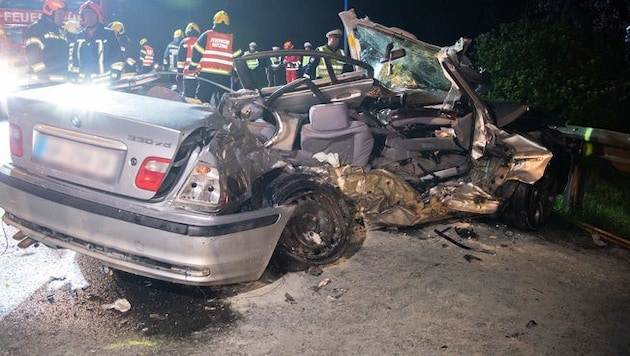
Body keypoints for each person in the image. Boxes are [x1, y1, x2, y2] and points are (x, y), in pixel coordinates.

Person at [189, 10, 241, 105]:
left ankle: (200, 118)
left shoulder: (207, 35)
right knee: (223, 103)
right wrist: (237, 74)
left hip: (206, 75)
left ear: (215, 21)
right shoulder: (232, 38)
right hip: (224, 76)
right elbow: (238, 59)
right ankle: (222, 119)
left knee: (202, 101)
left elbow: (196, 51)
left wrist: (192, 66)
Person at [71, 1, 124, 84]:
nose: (89, 17)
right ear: (83, 17)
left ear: (97, 16)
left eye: (92, 14)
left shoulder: (108, 34)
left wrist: (114, 77)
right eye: (86, 15)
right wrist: (74, 78)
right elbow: (75, 60)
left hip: (103, 83)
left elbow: (117, 59)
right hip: (83, 84)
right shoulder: (79, 36)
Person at [24, 0, 69, 85]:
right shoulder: (36, 29)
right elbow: (32, 55)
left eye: (64, 14)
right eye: (60, 14)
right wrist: (43, 77)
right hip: (39, 84)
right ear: (50, 13)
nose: (62, 17)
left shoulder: (62, 31)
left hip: (60, 83)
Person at [177, 22, 200, 98]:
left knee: (188, 98)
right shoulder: (201, 41)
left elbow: (181, 61)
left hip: (188, 74)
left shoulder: (184, 42)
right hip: (200, 75)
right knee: (199, 99)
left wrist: (179, 74)